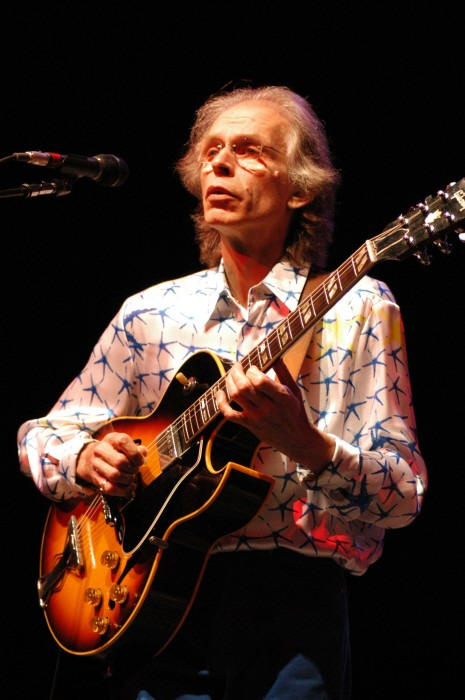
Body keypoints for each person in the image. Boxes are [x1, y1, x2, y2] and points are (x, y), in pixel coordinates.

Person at [18, 85, 427, 699]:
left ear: (300, 188)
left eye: (250, 150)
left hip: (293, 611)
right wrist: (84, 458)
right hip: (147, 598)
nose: (221, 164)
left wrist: (309, 446)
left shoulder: (358, 307)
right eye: (210, 152)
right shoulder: (150, 314)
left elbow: (403, 494)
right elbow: (42, 435)